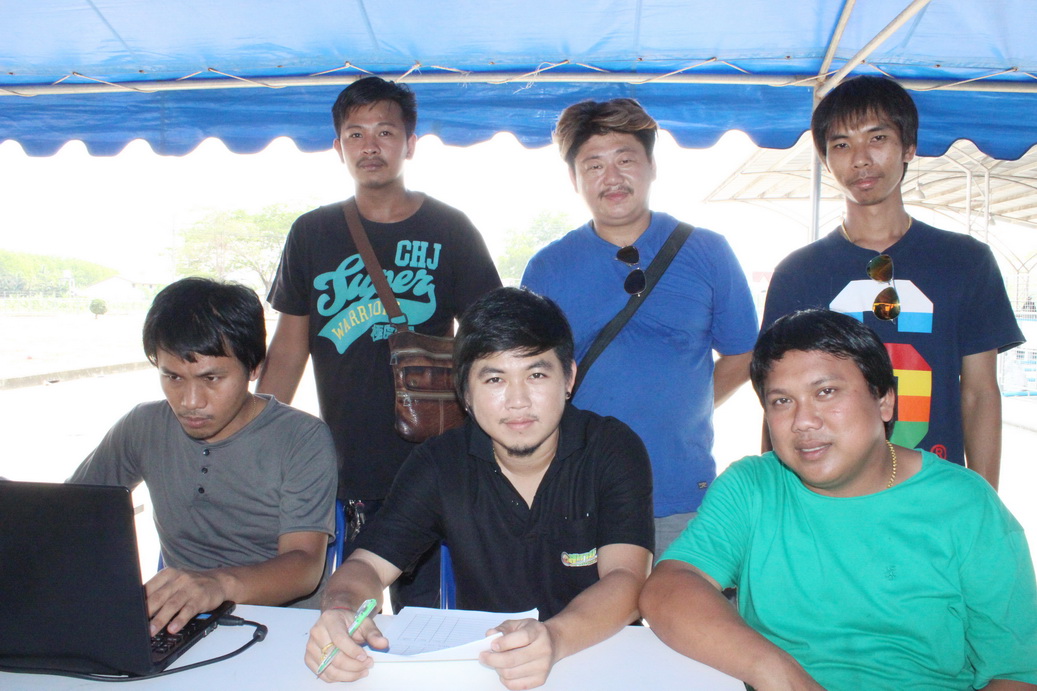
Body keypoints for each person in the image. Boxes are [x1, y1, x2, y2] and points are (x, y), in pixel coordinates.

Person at [640, 309, 1037, 689]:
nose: (803, 421)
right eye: (782, 401)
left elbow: (1018, 673)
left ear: (884, 400)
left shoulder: (964, 504)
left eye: (826, 392)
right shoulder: (753, 486)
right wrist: (774, 671)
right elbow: (668, 587)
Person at [304, 287, 654, 689]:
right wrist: (341, 610)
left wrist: (555, 638)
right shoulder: (439, 464)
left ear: (569, 377)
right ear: (465, 393)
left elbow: (626, 578)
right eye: (495, 379)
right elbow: (366, 566)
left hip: (603, 658)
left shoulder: (612, 449)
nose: (518, 401)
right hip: (489, 669)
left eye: (536, 375)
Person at [258, 76, 502, 608]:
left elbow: (490, 344)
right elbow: (289, 350)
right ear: (338, 147)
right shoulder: (312, 233)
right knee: (346, 609)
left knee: (426, 614)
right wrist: (259, 437)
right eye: (356, 134)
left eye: (385, 132)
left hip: (432, 459)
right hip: (344, 462)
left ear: (410, 144)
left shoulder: (451, 229)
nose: (370, 146)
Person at [761, 75, 1024, 488]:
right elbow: (778, 401)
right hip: (829, 497)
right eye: (841, 145)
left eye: (877, 138)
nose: (861, 159)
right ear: (825, 160)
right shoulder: (798, 273)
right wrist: (777, 500)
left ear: (909, 147)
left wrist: (983, 500)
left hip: (934, 490)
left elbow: (979, 394)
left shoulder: (966, 261)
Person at [522, 98, 758, 553]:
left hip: (682, 491)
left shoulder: (708, 252)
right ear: (574, 179)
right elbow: (531, 373)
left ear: (652, 166)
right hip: (580, 492)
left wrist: (687, 406)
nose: (611, 178)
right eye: (593, 165)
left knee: (683, 599)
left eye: (625, 160)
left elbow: (743, 352)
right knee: (589, 602)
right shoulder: (548, 268)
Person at [70, 277, 337, 636]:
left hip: (286, 630)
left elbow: (304, 565)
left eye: (211, 379)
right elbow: (73, 513)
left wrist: (218, 586)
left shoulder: (301, 439)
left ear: (254, 368)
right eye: (173, 377)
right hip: (182, 627)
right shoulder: (143, 426)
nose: (190, 401)